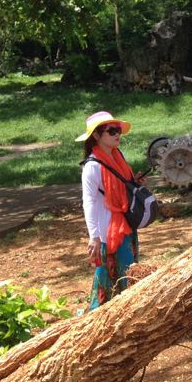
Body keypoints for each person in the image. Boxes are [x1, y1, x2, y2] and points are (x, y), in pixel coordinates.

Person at [75, 111, 143, 310]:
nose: (117, 134)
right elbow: (88, 202)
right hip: (107, 232)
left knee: (129, 271)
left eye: (118, 130)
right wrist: (94, 237)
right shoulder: (92, 167)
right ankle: (98, 314)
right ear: (96, 136)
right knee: (109, 275)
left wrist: (133, 184)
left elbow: (121, 187)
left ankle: (127, 312)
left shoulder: (117, 156)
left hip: (125, 225)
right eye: (111, 131)